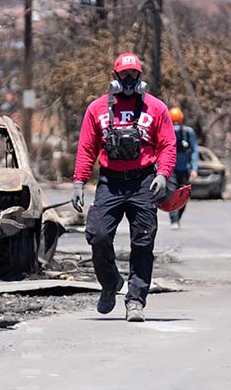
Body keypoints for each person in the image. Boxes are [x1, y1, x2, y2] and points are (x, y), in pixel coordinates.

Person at [71, 52, 177, 322]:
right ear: (114, 77)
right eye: (124, 75)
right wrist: (79, 182)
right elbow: (86, 148)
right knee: (98, 235)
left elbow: (167, 145)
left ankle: (136, 300)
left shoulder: (156, 108)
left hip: (143, 182)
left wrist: (163, 174)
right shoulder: (97, 109)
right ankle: (110, 283)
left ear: (140, 77)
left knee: (143, 241)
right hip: (110, 182)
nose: (129, 79)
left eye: (134, 75)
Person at [168, 107, 198, 229]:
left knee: (184, 195)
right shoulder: (166, 131)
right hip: (171, 169)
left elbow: (195, 150)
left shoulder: (188, 132)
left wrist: (194, 168)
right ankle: (174, 219)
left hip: (185, 170)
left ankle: (178, 217)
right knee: (172, 194)